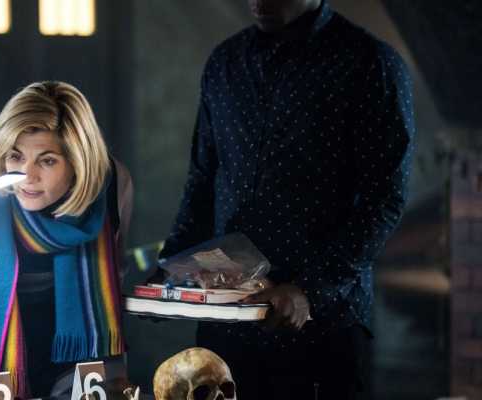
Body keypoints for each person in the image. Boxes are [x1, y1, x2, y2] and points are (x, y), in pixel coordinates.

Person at [155, 0, 415, 399]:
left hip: (323, 330)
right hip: (226, 328)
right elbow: (203, 182)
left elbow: (385, 198)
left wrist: (308, 289)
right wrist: (171, 270)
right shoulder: (225, 63)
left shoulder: (370, 64)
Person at [0, 81, 133, 399]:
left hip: (74, 367)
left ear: (78, 162)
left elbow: (114, 279)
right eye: (15, 157)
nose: (27, 176)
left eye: (47, 160)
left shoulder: (110, 187)